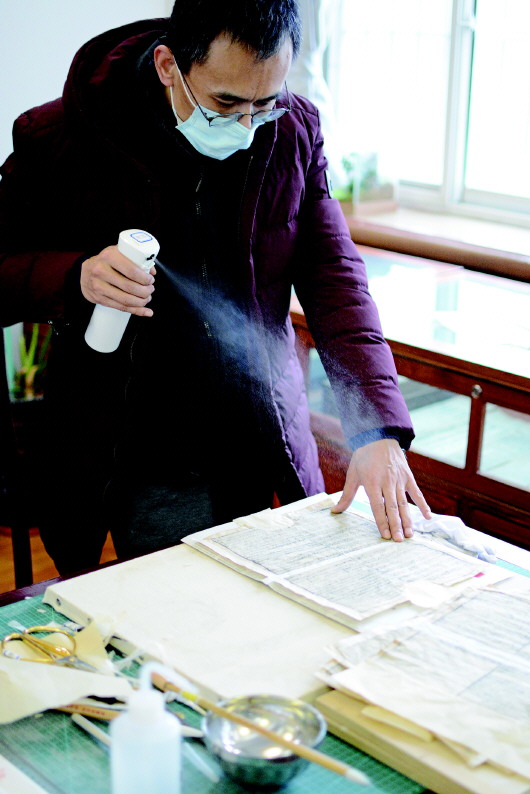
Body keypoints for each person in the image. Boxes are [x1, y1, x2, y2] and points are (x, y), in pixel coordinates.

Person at [0, 0, 431, 576]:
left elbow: (337, 282)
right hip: (139, 439)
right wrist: (75, 276)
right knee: (176, 600)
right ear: (168, 66)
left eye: (265, 103)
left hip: (255, 430)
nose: (247, 127)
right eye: (225, 103)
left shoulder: (293, 132)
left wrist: (376, 427)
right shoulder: (62, 138)